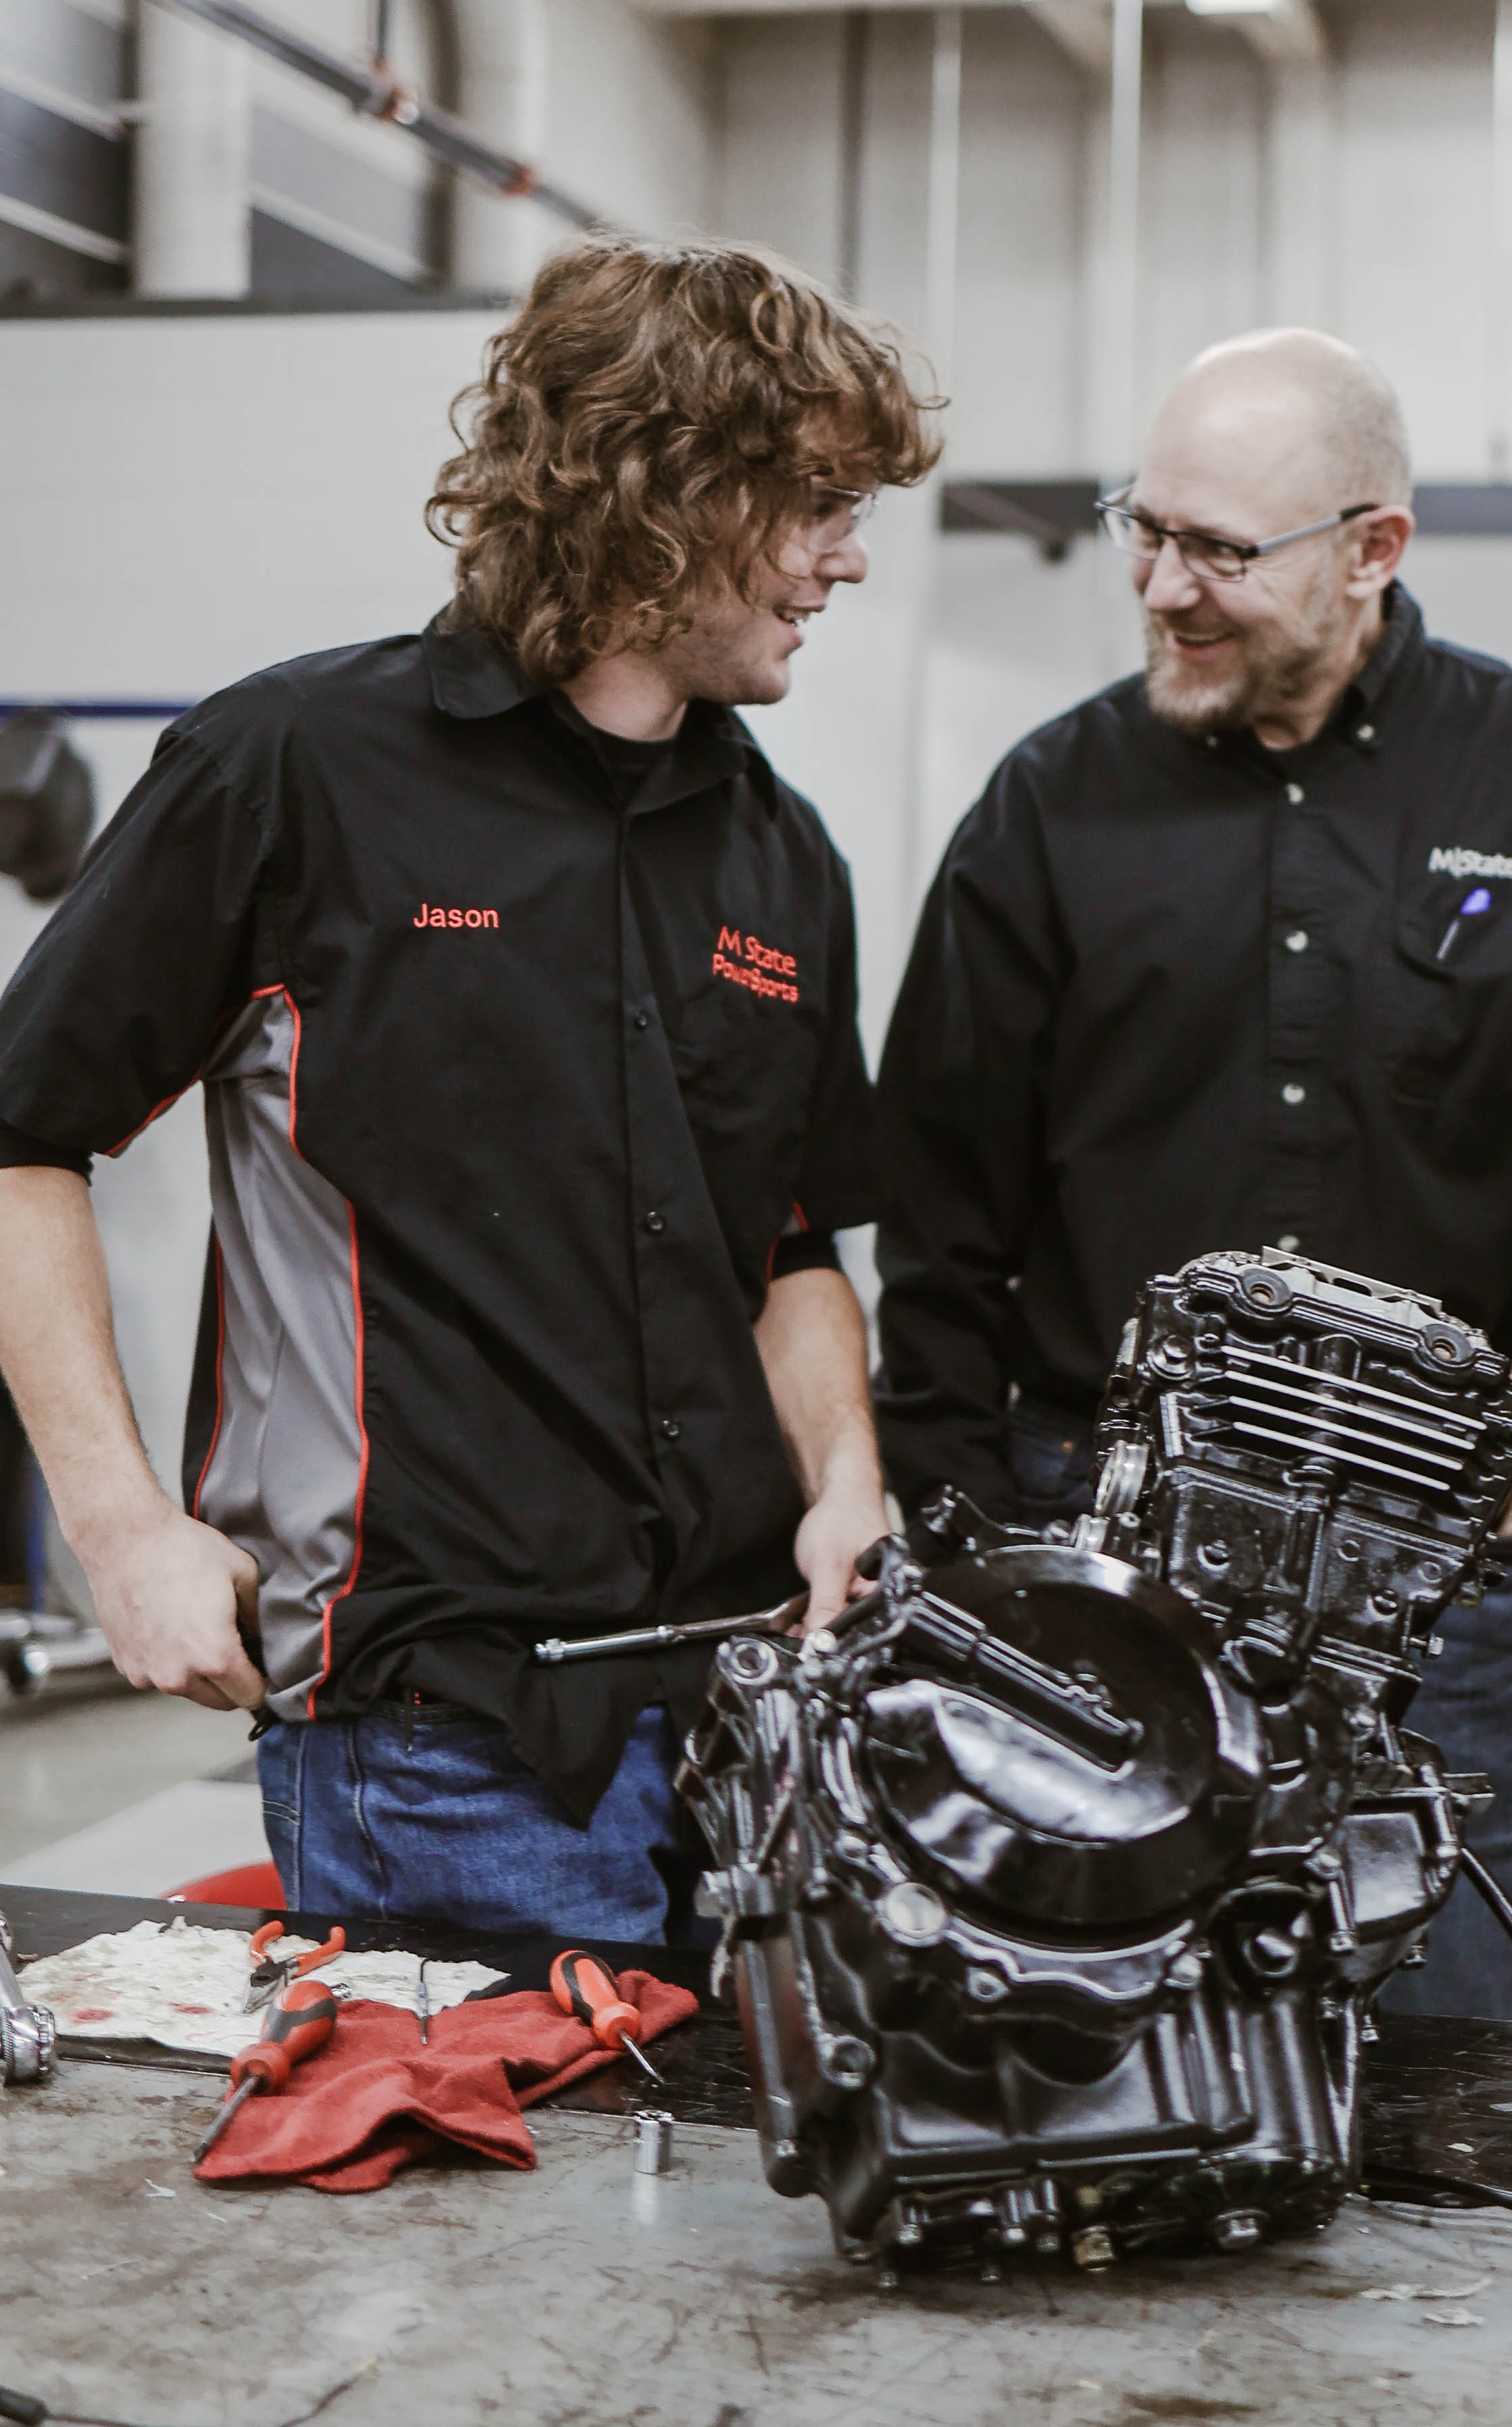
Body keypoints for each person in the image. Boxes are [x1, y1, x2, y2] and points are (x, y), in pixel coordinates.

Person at [0, 239, 938, 1942]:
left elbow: (792, 1244)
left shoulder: (779, 850)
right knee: (485, 2217)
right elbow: (17, 1136)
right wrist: (118, 1520)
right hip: (437, 1737)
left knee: (739, 2211)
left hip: (751, 1721)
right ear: (665, 490)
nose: (845, 559)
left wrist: (848, 1479)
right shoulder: (294, 770)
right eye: (813, 504)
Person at [874, 328, 1512, 2019]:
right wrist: (967, 1569)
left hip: (1427, 1554)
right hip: (1097, 1535)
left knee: (1452, 2061)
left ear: (1373, 548)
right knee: (1086, 2032)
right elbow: (938, 1222)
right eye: (1140, 529)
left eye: (1219, 549)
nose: (1159, 586)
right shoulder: (1046, 812)